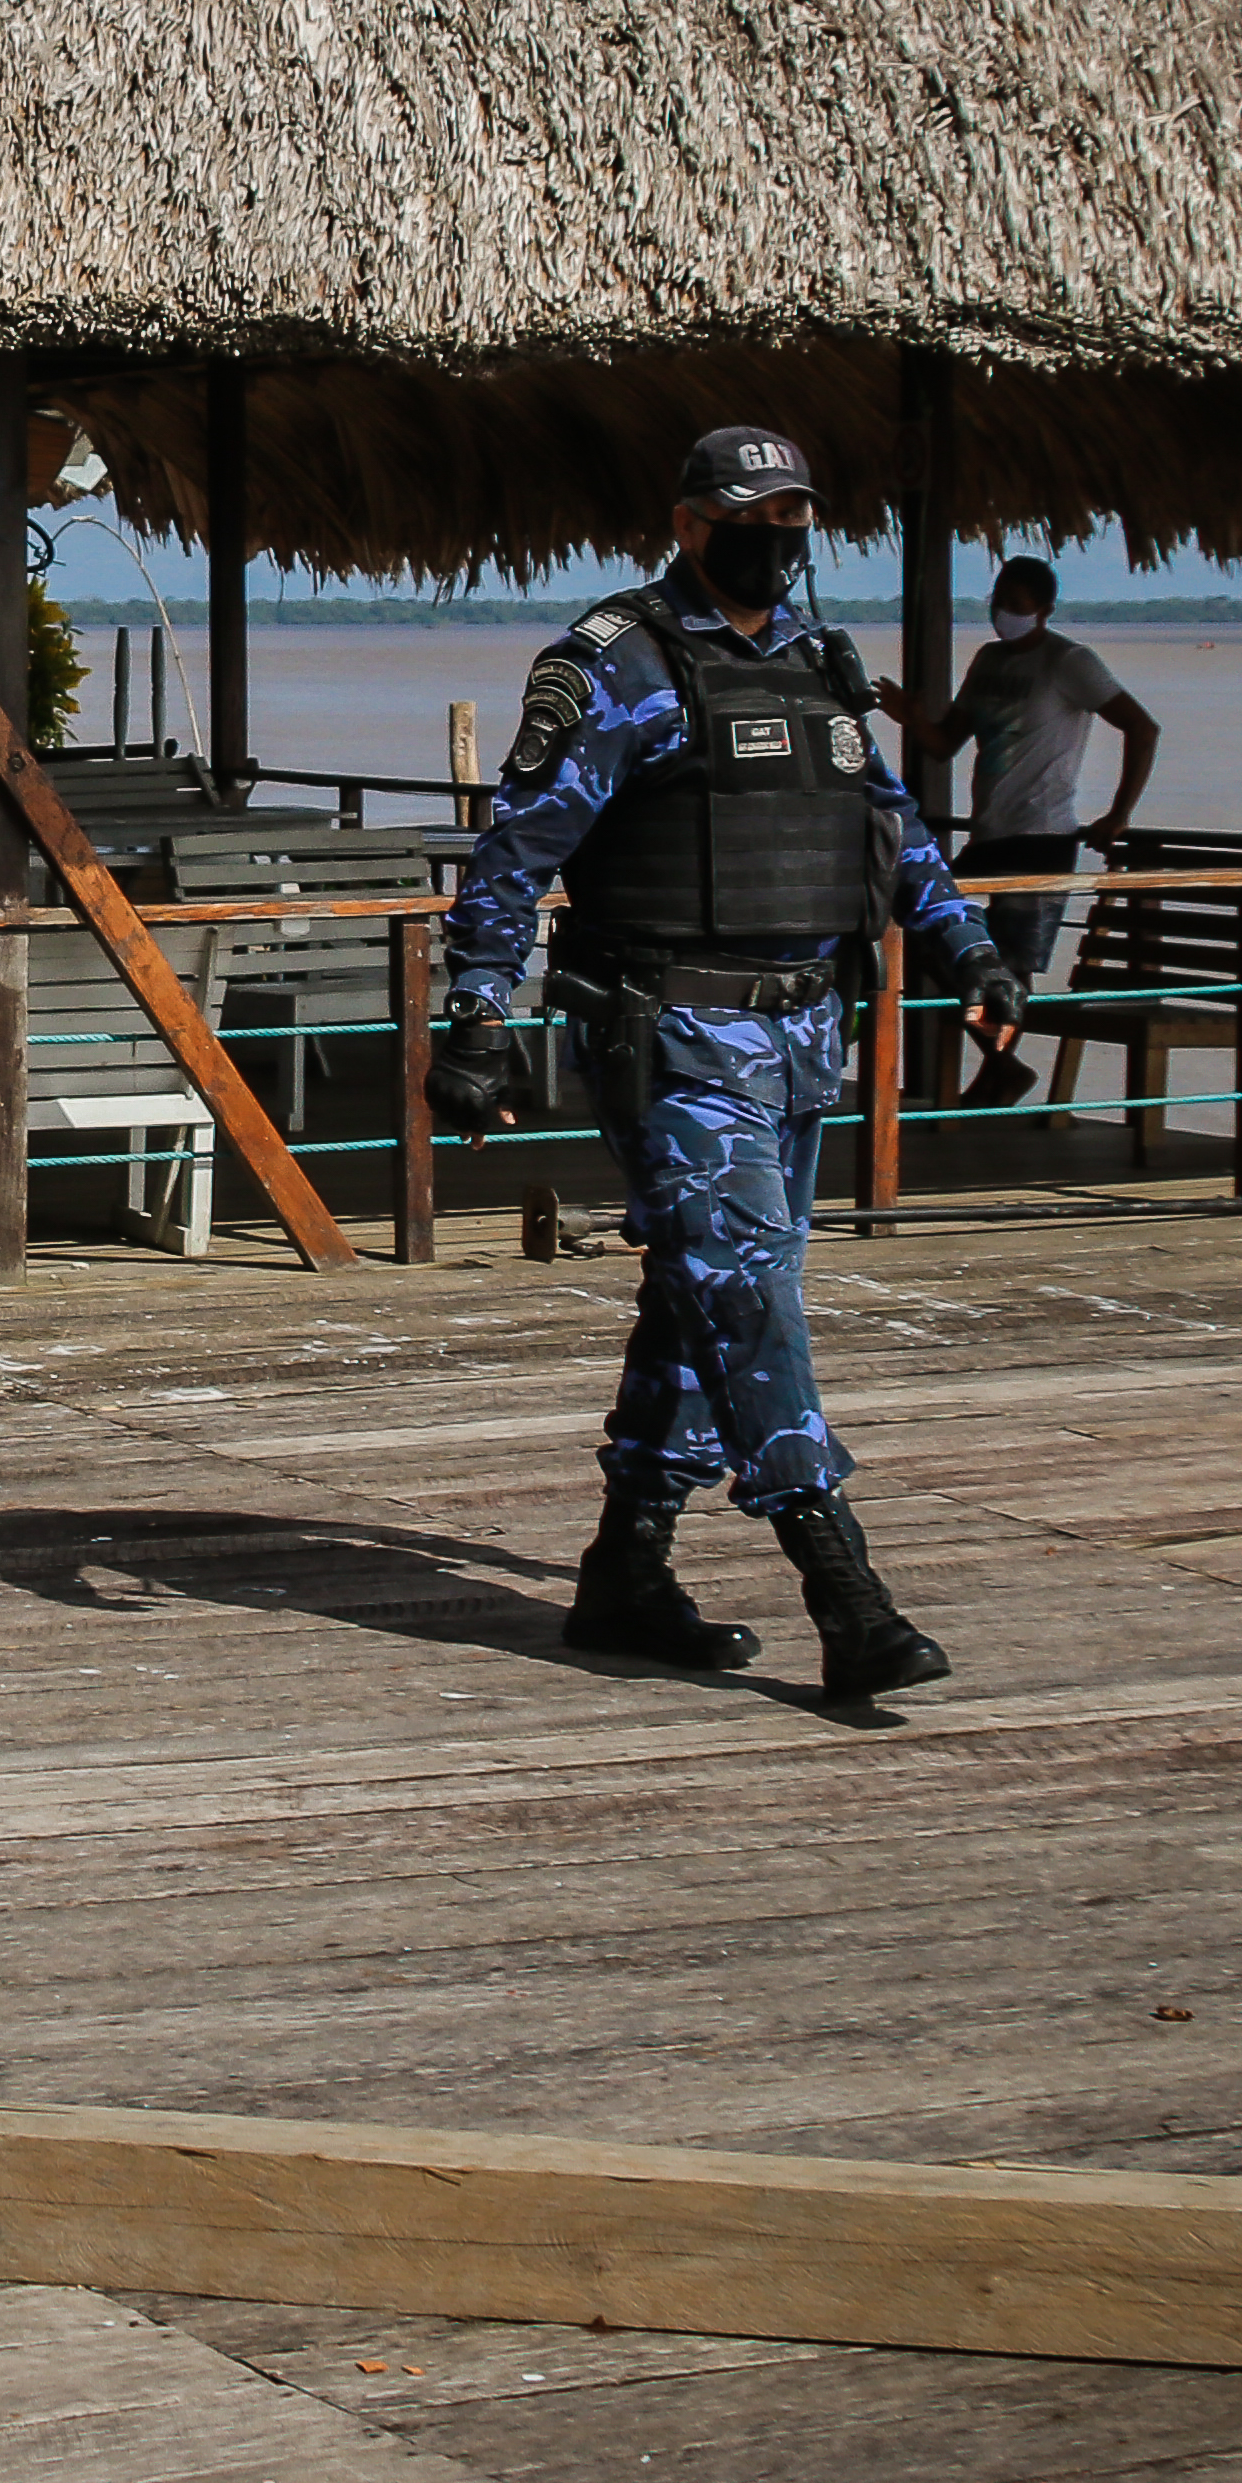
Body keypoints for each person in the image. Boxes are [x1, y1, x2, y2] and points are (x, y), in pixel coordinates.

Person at [428, 427, 1025, 1700]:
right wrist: (476, 1017)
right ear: (691, 522)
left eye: (795, 515)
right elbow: (516, 853)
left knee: (702, 1295)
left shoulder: (818, 660)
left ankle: (626, 1569)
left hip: (804, 1038)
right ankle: (843, 1587)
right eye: (753, 515)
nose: (777, 537)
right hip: (674, 1033)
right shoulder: (618, 662)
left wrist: (969, 949)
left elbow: (890, 823)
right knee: (749, 1295)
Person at [901, 555, 1157, 1117]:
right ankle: (1001, 1065)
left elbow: (1141, 727)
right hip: (989, 834)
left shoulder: (1070, 661)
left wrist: (1118, 814)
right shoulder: (988, 660)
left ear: (1045, 609)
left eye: (1017, 604)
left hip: (1043, 833)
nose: (1004, 613)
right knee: (929, 934)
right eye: (999, 600)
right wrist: (911, 717)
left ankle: (998, 1070)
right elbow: (944, 743)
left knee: (1012, 962)